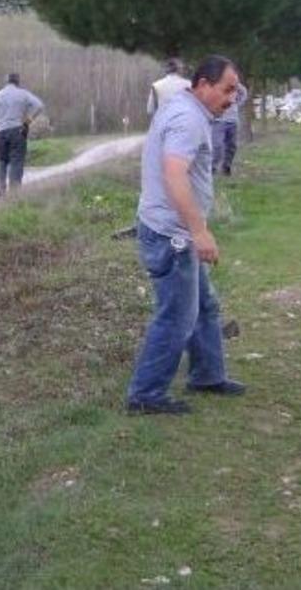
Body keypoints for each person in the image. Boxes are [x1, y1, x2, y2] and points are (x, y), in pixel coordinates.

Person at [126, 55, 247, 416]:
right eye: (227, 90)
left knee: (204, 306)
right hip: (172, 236)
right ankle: (145, 395)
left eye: (236, 92)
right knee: (177, 316)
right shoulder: (187, 119)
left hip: (172, 231)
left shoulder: (182, 104)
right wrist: (199, 231)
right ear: (203, 84)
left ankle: (207, 375)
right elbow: (174, 175)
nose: (231, 99)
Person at [0, 73, 45, 197]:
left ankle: (1, 191)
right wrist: (29, 120)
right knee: (16, 161)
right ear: (18, 82)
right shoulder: (23, 94)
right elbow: (39, 105)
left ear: (6, 82)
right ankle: (15, 193)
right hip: (17, 131)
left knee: (1, 161)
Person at [211, 78, 248, 176]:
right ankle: (212, 168)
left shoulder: (234, 84)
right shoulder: (215, 82)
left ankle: (226, 167)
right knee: (217, 145)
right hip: (218, 120)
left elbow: (243, 93)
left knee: (232, 145)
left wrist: (238, 103)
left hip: (233, 120)